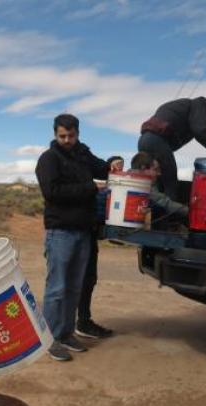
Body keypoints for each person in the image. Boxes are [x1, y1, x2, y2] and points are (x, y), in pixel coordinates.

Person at [35, 114, 122, 361]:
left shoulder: (82, 153)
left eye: (71, 136)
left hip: (83, 231)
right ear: (55, 134)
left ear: (78, 133)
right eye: (62, 136)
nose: (67, 140)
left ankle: (65, 333)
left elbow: (103, 168)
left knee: (74, 287)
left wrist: (114, 162)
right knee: (57, 288)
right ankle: (50, 339)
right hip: (60, 232)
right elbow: (52, 193)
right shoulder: (49, 159)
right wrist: (91, 188)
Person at [138, 97, 206, 200]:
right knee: (170, 184)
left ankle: (149, 210)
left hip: (143, 141)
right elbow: (200, 131)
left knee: (155, 182)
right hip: (156, 141)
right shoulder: (199, 104)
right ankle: (170, 214)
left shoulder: (180, 107)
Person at [75, 155, 123, 339]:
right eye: (116, 166)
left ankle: (83, 321)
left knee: (88, 278)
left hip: (88, 234)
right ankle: (63, 328)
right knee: (69, 281)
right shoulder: (102, 191)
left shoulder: (109, 190)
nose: (120, 169)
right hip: (77, 234)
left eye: (122, 167)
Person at [130, 152, 189, 218]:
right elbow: (165, 203)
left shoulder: (127, 179)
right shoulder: (140, 186)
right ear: (143, 168)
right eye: (156, 169)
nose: (159, 173)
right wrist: (189, 211)